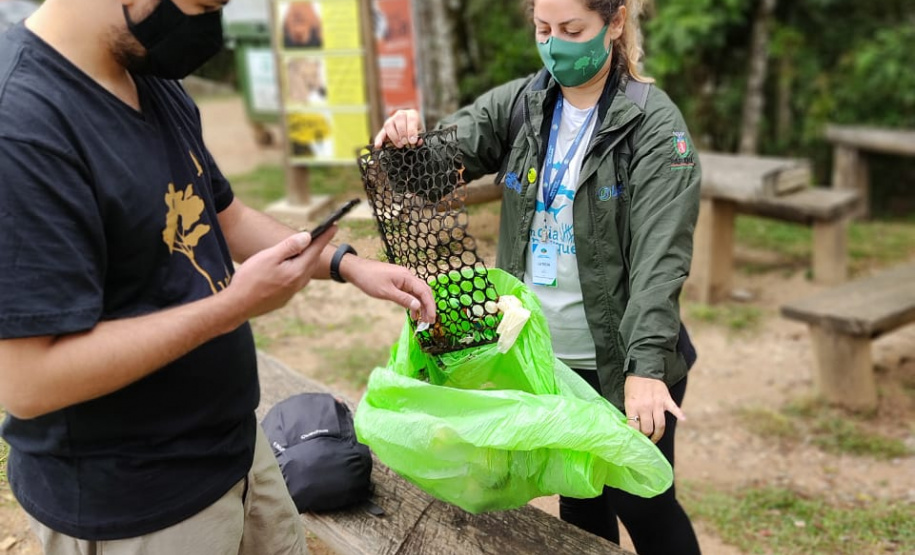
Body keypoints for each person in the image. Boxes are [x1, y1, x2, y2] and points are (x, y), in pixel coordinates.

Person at [0, 0, 435, 553]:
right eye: (204, 5)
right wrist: (232, 307)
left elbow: (223, 215)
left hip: (237, 452)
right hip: (136, 507)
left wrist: (345, 263)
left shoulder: (149, 74)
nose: (208, 27)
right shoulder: (22, 125)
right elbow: (27, 382)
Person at [374, 0, 702, 553]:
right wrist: (405, 146)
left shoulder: (653, 124)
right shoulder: (524, 104)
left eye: (572, 30)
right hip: (547, 358)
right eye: (543, 29)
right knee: (578, 501)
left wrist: (645, 367)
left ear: (615, 22)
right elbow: (435, 168)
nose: (554, 45)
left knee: (642, 502)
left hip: (621, 361)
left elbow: (660, 256)